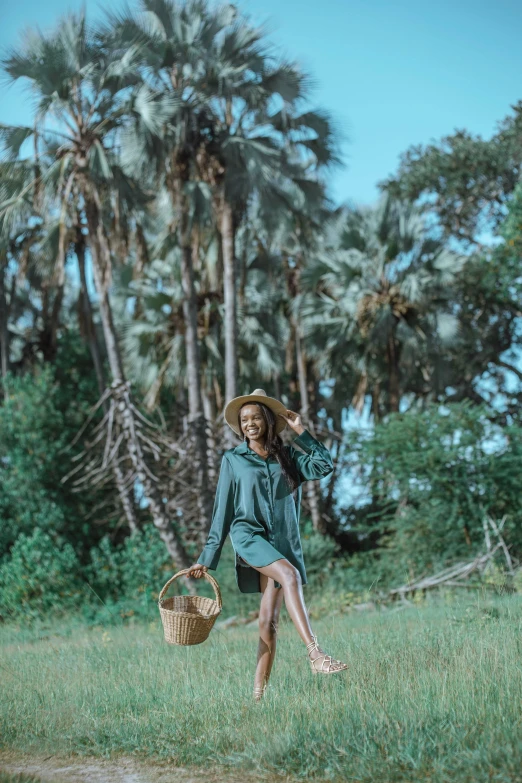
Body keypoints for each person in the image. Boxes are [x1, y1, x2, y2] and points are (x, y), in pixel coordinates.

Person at [186, 388, 348, 701]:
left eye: (255, 417)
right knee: (290, 576)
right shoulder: (233, 460)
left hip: (282, 544)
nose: (249, 424)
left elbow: (324, 465)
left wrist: (300, 428)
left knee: (268, 622)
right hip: (249, 536)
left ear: (268, 421)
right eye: (244, 419)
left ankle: (257, 697)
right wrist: (207, 556)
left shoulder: (288, 458)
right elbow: (223, 511)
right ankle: (315, 653)